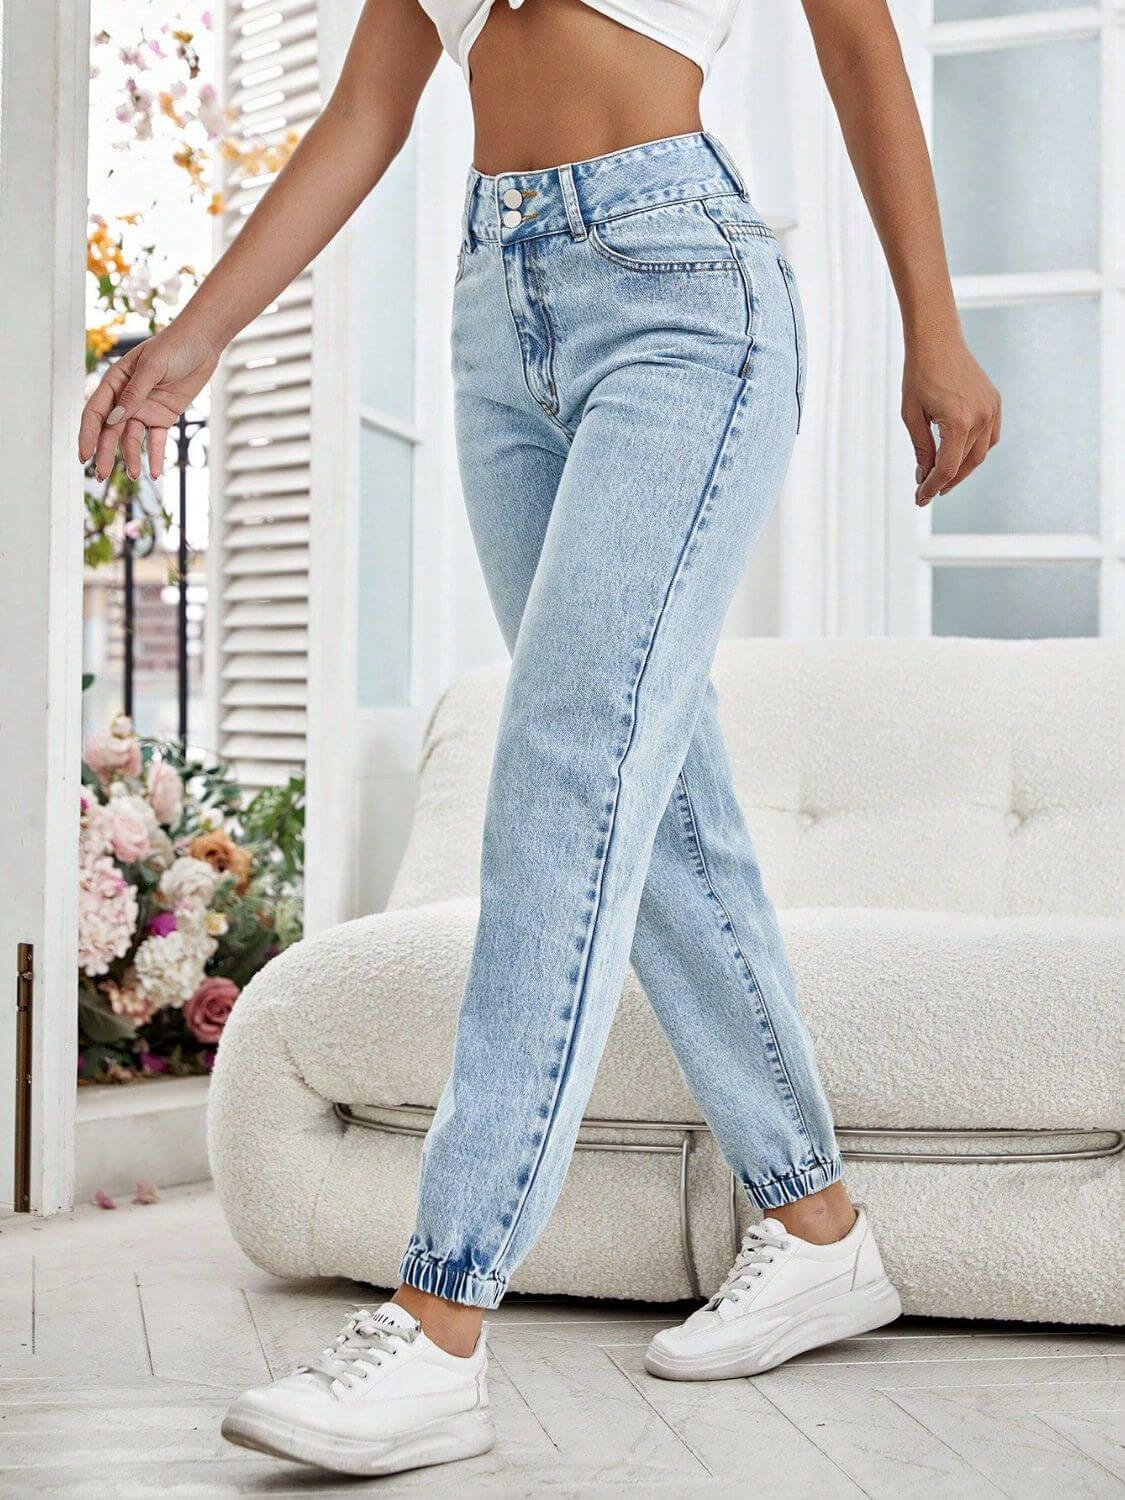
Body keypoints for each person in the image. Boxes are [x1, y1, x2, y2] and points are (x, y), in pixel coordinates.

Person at [79, 0, 1000, 1479]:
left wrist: (933, 331)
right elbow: (367, 116)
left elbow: (858, 40)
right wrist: (192, 342)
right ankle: (815, 1224)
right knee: (658, 795)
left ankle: (439, 1320)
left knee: (563, 779)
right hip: (496, 313)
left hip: (684, 291)